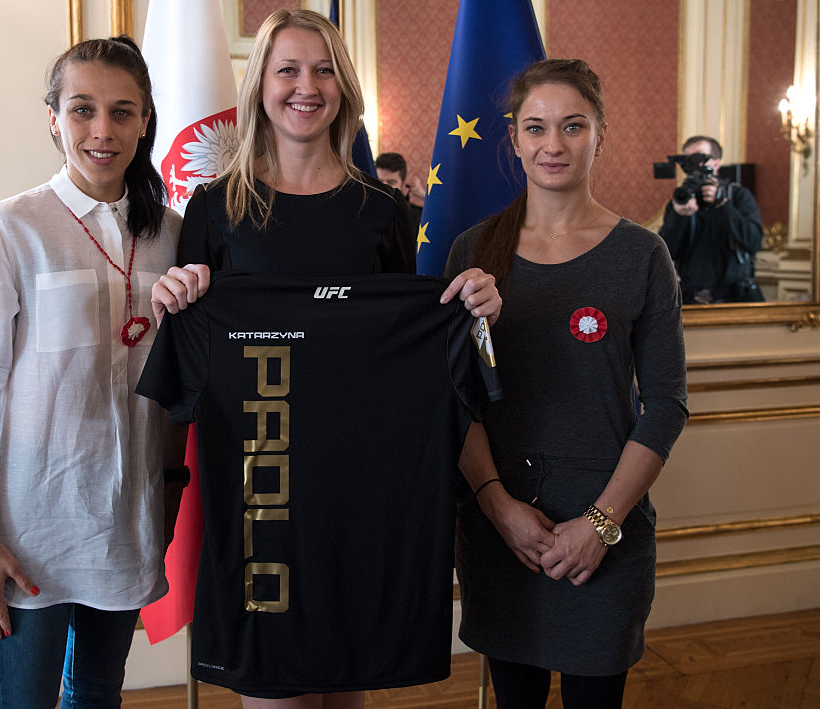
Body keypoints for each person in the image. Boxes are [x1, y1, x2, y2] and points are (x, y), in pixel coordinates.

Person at [147, 10, 502, 709]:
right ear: (260, 85)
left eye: (323, 69)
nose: (305, 86)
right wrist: (172, 294)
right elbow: (185, 362)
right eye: (287, 69)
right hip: (261, 504)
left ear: (343, 86)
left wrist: (476, 312)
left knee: (347, 696)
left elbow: (419, 356)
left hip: (361, 501)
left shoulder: (384, 213)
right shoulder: (215, 210)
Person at [0, 37, 187, 708]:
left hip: (126, 523)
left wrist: (168, 493)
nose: (102, 131)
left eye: (122, 112)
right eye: (82, 110)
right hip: (29, 532)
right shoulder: (9, 229)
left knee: (98, 693)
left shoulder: (171, 233)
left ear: (144, 122)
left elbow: (174, 386)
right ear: (54, 117)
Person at [446, 59, 689, 709]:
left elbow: (666, 404)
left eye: (573, 126)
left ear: (599, 134)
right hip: (504, 534)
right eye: (536, 127)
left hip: (604, 534)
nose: (553, 144)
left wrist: (601, 522)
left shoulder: (643, 255)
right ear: (514, 139)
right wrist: (499, 507)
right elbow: (454, 399)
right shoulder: (473, 250)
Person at [658, 135, 764, 304]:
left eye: (699, 158)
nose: (694, 165)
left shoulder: (737, 196)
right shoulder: (680, 200)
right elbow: (665, 253)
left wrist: (723, 205)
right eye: (688, 160)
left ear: (716, 163)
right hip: (691, 299)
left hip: (734, 300)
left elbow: (754, 242)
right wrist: (679, 217)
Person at [375, 151, 424, 236]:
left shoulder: (416, 217)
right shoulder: (363, 213)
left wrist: (424, 196)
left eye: (391, 182)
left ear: (402, 184)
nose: (384, 187)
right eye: (379, 181)